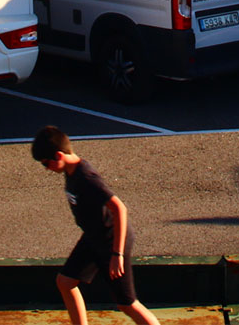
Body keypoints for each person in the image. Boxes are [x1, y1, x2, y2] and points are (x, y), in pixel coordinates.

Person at [32, 125, 160, 325]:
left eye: (46, 164)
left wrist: (117, 254)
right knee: (65, 282)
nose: (47, 169)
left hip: (111, 240)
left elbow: (120, 209)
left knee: (127, 304)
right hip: (93, 237)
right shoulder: (71, 171)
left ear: (59, 155)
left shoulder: (86, 177)